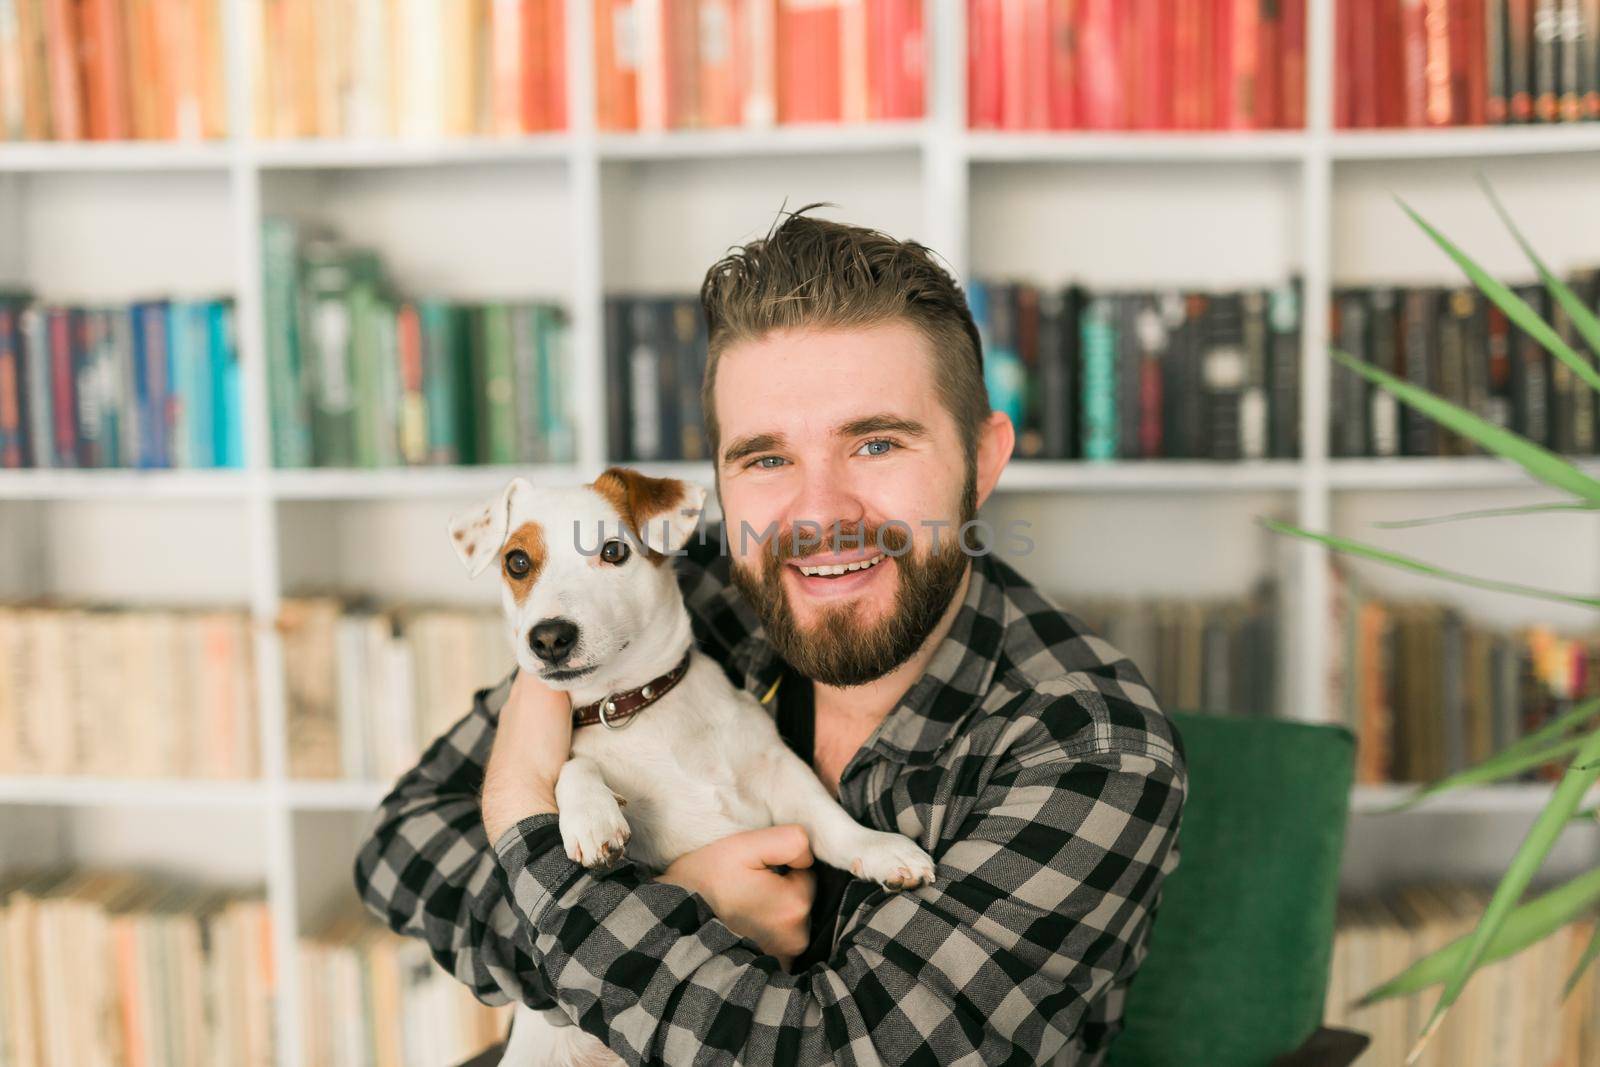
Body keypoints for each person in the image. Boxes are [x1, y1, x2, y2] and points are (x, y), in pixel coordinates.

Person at [353, 204, 1186, 1066]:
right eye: (766, 458)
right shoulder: (679, 596)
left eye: (875, 443)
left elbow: (838, 1051)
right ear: (718, 478)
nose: (820, 514)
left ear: (983, 459)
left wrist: (525, 822)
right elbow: (399, 845)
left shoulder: (1091, 744)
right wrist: (677, 900)